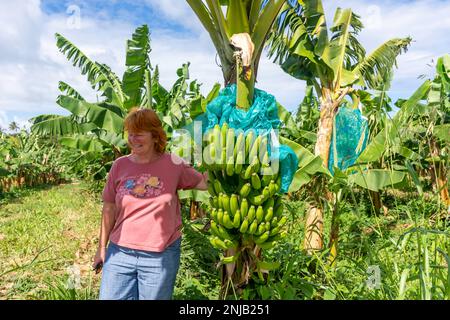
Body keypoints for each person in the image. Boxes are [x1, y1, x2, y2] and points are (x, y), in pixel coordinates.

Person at [92, 108, 208, 300]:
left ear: (155, 136)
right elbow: (109, 208)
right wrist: (101, 248)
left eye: (139, 133)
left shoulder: (173, 163)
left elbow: (204, 183)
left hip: (160, 255)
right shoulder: (119, 165)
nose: (133, 138)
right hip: (120, 252)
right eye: (130, 133)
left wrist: (223, 158)